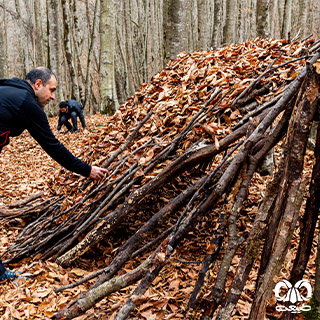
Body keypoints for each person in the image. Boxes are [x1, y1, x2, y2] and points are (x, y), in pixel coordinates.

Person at [0, 67, 108, 280]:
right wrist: (87, 170)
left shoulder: (8, 88)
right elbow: (53, 147)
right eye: (51, 90)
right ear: (38, 85)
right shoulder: (27, 103)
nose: (53, 97)